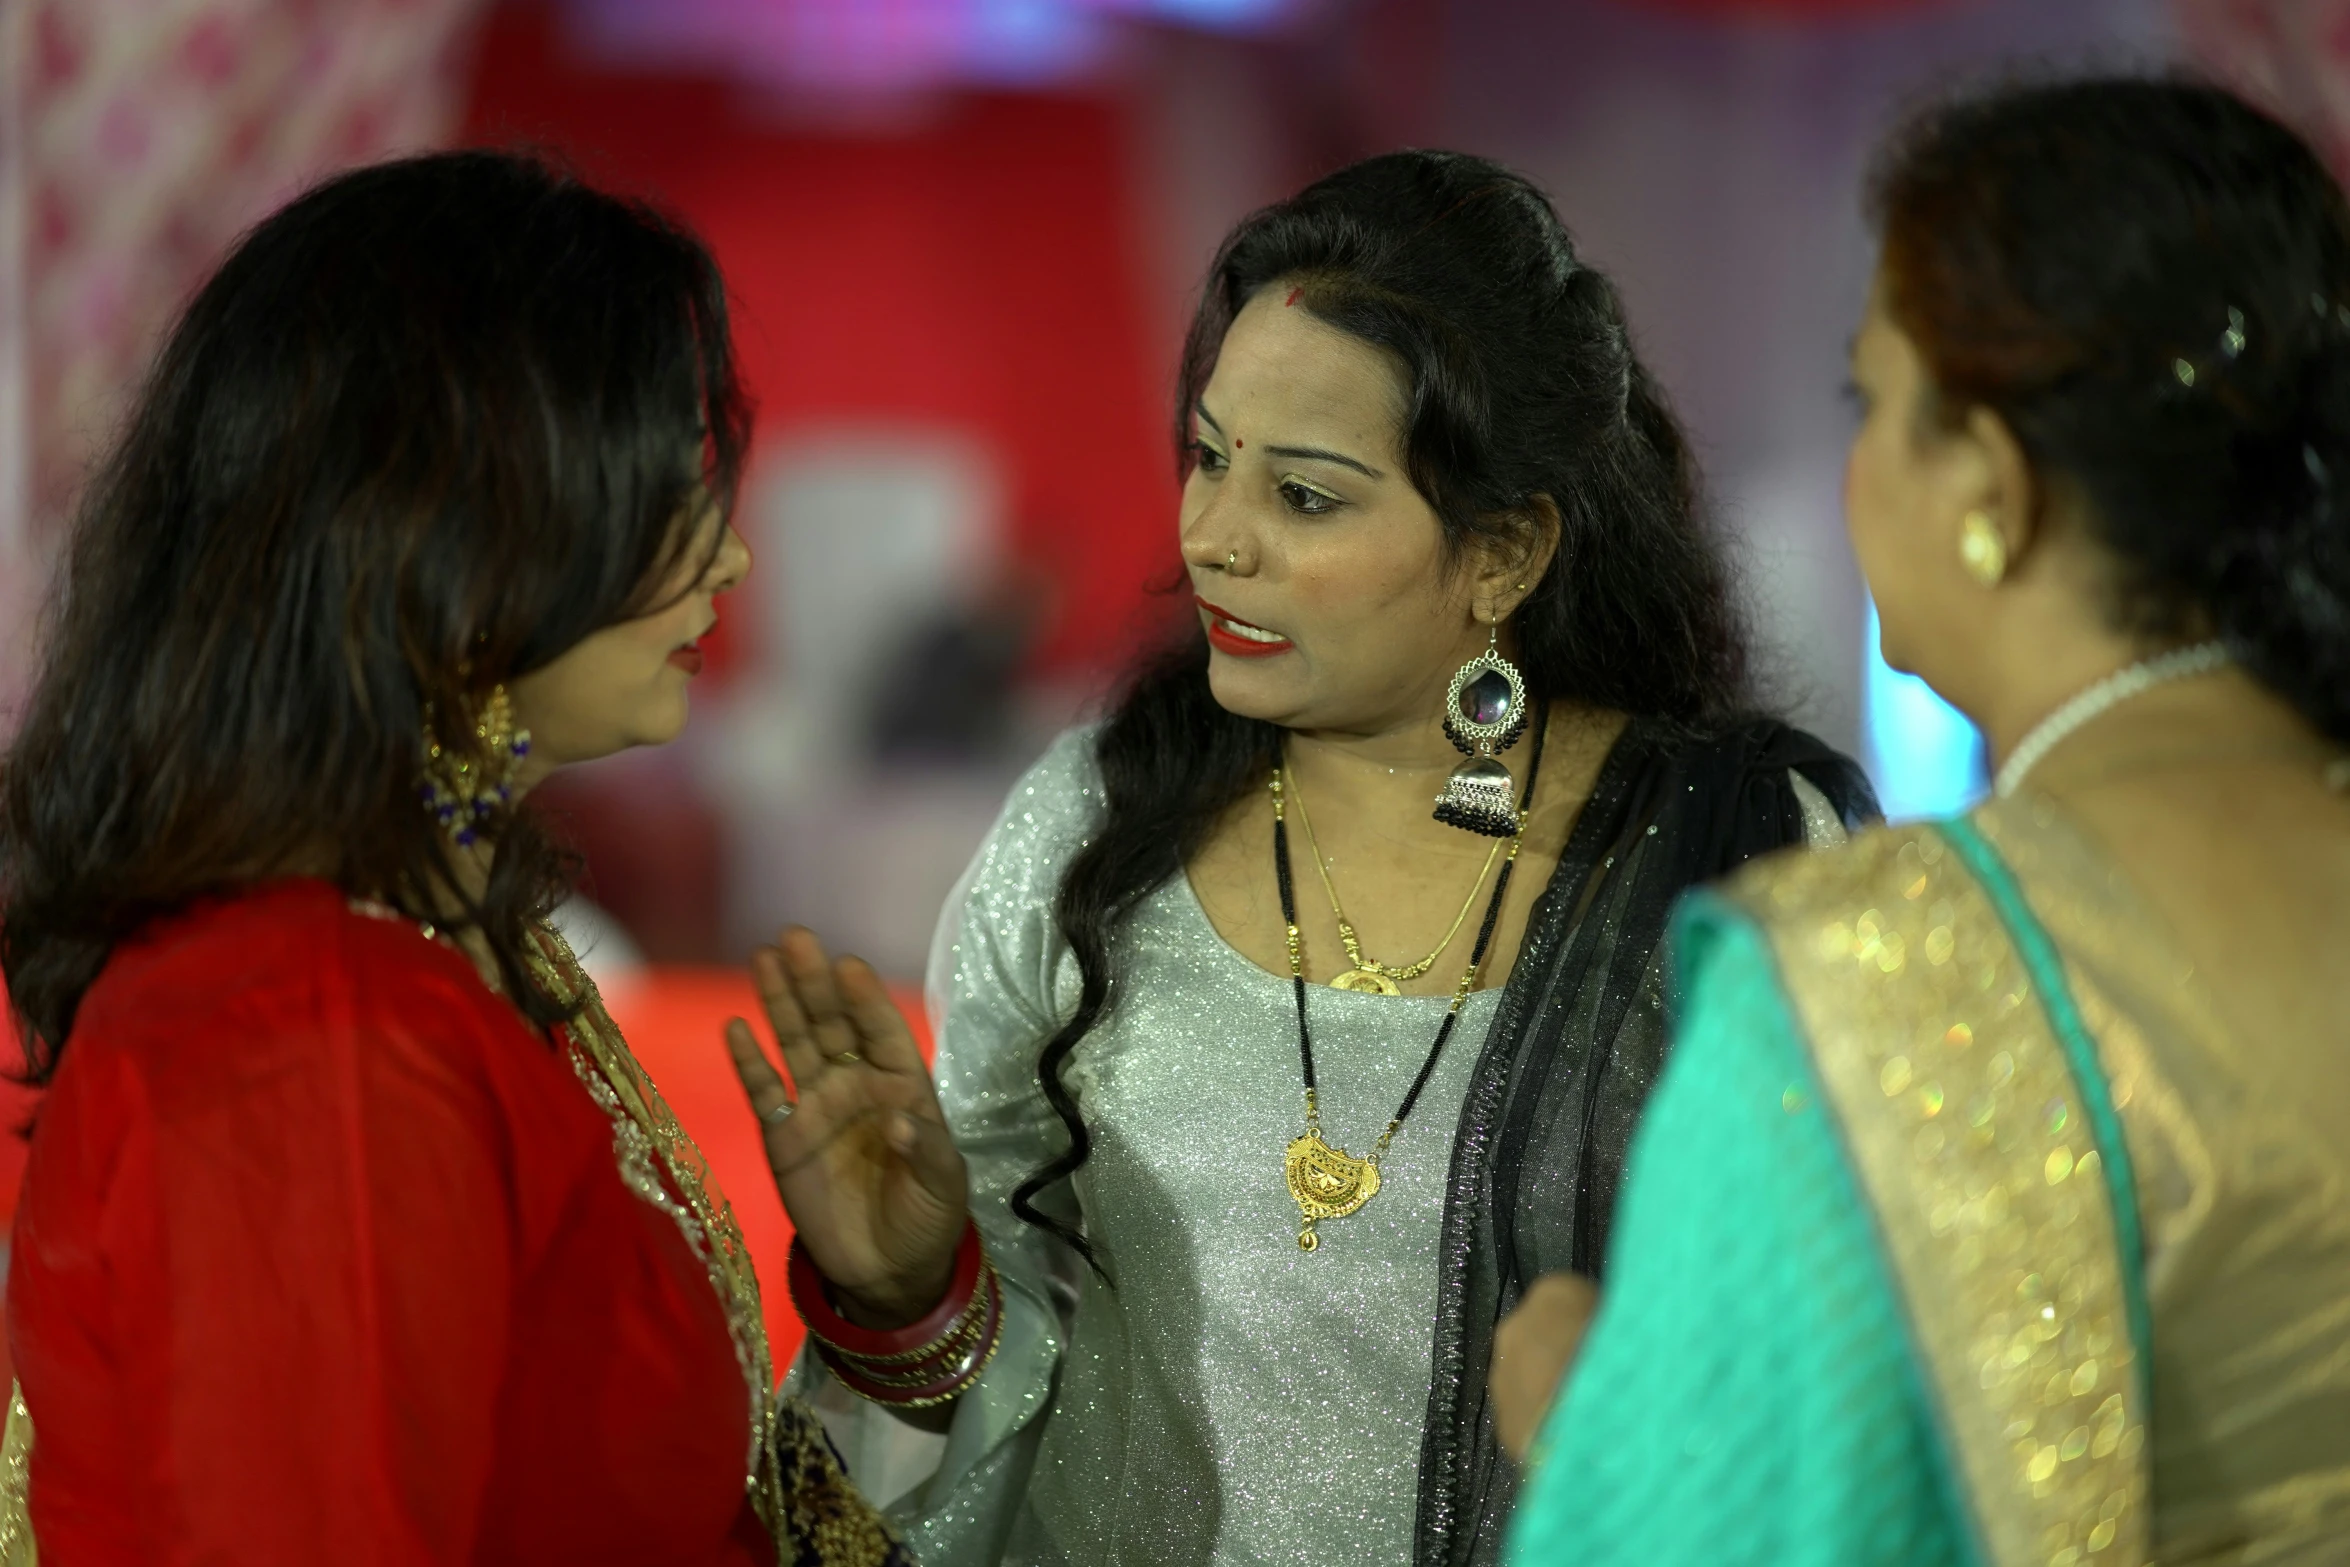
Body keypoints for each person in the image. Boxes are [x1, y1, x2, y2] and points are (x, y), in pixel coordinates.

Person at [721, 149, 1875, 1567]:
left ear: (1502, 553)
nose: (1212, 538)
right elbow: (1005, 1345)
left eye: (1305, 497)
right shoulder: (1098, 828)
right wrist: (910, 1287)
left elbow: (1833, 1388)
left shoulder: (1729, 867)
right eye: (1207, 459)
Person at [0, 152, 907, 1566]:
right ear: (465, 527)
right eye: (668, 486)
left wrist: (890, 1303)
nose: (729, 561)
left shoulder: (449, 949)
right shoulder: (313, 1029)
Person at [1499, 76, 2350, 1566]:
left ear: (1990, 490)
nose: (1858, 462)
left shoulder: (1873, 973)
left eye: (1872, 400)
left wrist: (1591, 1430)